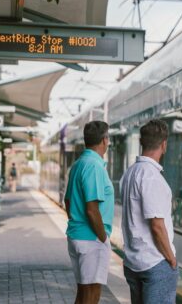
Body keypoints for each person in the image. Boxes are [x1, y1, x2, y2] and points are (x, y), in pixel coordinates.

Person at [120, 119, 178, 304]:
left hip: (133, 263)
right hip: (154, 263)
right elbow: (157, 226)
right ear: (164, 144)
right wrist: (171, 259)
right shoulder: (151, 177)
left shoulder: (129, 173)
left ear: (141, 143)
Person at [64, 121, 114, 304]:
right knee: (92, 296)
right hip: (92, 240)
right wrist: (103, 239)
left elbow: (67, 201)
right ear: (104, 140)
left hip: (77, 236)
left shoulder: (78, 164)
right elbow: (92, 210)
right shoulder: (94, 165)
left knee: (83, 294)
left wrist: (76, 221)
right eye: (107, 138)